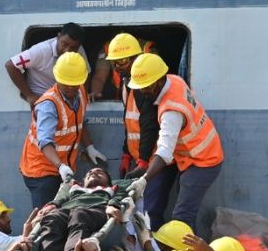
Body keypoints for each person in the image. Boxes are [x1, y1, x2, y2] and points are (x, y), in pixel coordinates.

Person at [125, 53, 224, 228]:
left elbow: (164, 152)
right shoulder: (174, 80)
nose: (142, 91)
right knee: (184, 212)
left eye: (146, 87)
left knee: (182, 216)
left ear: (158, 80)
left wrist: (144, 179)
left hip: (203, 161)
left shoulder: (171, 111)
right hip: (197, 154)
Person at [19, 51, 106, 209]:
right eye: (66, 83)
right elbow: (45, 142)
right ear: (57, 78)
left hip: (63, 169)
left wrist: (90, 147)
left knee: (60, 217)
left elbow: (79, 123)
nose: (70, 88)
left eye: (74, 83)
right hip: (41, 171)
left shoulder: (80, 93)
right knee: (46, 220)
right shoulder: (48, 105)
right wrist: (60, 166)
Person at [28, 167, 136, 251]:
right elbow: (61, 196)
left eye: (100, 172)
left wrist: (113, 204)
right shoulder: (74, 187)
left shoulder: (114, 188)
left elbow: (123, 192)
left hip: (95, 210)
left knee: (79, 215)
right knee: (52, 218)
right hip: (67, 211)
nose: (93, 173)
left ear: (109, 181)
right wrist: (52, 205)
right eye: (90, 172)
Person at [91, 33, 159, 177]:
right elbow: (130, 124)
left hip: (156, 159)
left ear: (136, 58)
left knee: (152, 199)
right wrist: (127, 155)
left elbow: (149, 123)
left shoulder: (144, 87)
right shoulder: (126, 83)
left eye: (122, 61)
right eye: (114, 62)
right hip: (144, 157)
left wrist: (143, 162)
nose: (117, 67)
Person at [6, 22, 88, 106]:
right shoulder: (41, 51)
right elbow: (11, 65)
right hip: (42, 98)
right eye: (64, 44)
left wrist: (84, 96)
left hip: (64, 98)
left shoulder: (79, 50)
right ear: (58, 37)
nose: (67, 50)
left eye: (73, 48)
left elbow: (85, 74)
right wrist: (29, 95)